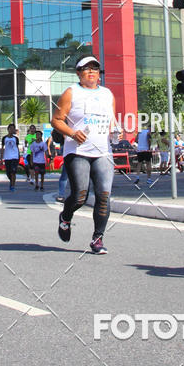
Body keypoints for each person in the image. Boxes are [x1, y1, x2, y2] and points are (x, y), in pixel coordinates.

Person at [51, 55, 117, 255]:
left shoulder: (107, 94)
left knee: (104, 196)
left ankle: (98, 239)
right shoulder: (71, 92)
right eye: (86, 69)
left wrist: (115, 131)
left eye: (95, 69)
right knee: (80, 196)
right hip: (77, 151)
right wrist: (72, 133)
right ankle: (66, 217)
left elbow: (111, 120)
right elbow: (56, 120)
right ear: (78, 73)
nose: (91, 72)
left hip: (103, 152)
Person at [2, 123, 20, 191]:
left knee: (13, 171)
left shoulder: (15, 138)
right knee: (8, 172)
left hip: (14, 157)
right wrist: (1, 158)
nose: (11, 130)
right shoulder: (4, 138)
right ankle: (11, 181)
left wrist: (18, 156)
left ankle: (12, 185)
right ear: (8, 129)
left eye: (13, 129)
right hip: (7, 157)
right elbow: (2, 148)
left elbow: (17, 148)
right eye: (10, 128)